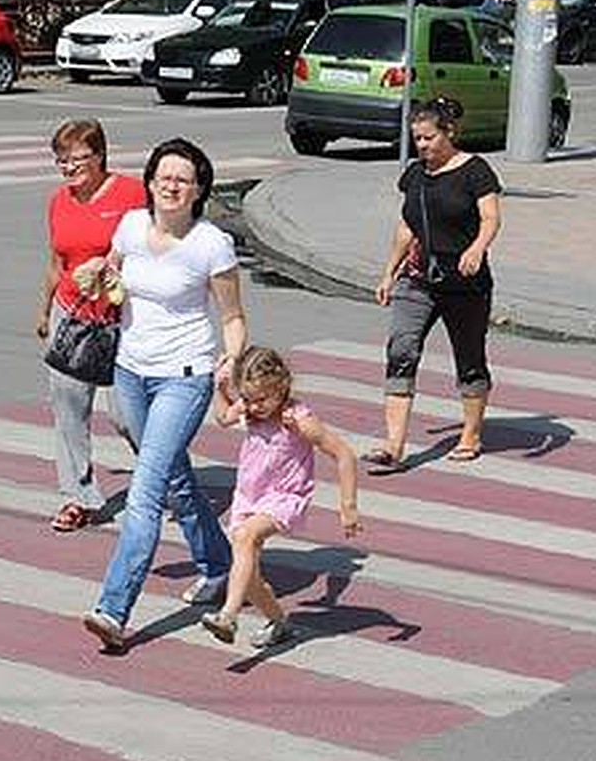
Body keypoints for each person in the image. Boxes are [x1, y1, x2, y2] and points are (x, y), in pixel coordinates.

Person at [80, 137, 248, 651]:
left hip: (185, 375)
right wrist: (97, 274)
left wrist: (231, 360)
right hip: (130, 369)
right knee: (175, 476)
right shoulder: (131, 225)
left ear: (199, 189)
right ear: (150, 181)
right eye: (164, 176)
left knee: (147, 490)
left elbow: (232, 317)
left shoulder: (210, 244)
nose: (172, 185)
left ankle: (113, 610)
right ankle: (219, 562)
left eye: (184, 179)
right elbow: (111, 271)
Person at [368, 97, 502, 472]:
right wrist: (388, 272)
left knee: (469, 359)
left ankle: (471, 434)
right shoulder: (415, 174)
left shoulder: (476, 171)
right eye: (417, 139)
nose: (422, 146)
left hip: (465, 282)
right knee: (400, 350)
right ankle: (393, 447)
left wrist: (477, 248)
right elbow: (406, 226)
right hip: (418, 280)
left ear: (449, 133)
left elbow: (490, 217)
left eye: (428, 138)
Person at [200, 346, 361, 649]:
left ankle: (228, 615)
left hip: (285, 496)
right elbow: (223, 418)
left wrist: (348, 506)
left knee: (246, 538)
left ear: (281, 386)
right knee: (248, 577)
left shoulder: (297, 418)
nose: (254, 406)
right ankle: (279, 622)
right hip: (248, 497)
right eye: (248, 398)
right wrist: (221, 388)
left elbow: (343, 454)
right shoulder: (248, 409)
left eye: (261, 399)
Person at [36, 120, 146, 532]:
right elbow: (57, 262)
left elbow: (155, 246)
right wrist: (45, 311)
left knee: (127, 413)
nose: (70, 167)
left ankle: (163, 475)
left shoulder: (132, 194)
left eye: (78, 158)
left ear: (100, 156)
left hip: (123, 318)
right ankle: (77, 497)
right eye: (62, 160)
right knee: (68, 409)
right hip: (73, 314)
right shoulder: (58, 202)